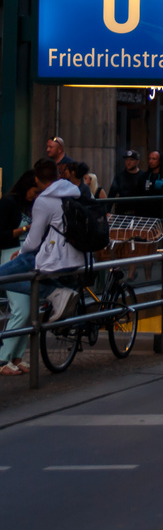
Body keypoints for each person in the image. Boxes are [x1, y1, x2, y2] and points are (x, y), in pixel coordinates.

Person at [0, 159, 85, 304]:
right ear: (58, 176)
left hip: (53, 258)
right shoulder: (73, 194)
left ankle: (54, 292)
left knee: (2, 277)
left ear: (37, 179)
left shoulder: (43, 201)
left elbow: (33, 243)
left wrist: (20, 253)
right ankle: (59, 294)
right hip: (77, 257)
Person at [0, 175, 32, 374]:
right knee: (21, 308)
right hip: (10, 255)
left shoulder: (28, 204)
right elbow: (1, 234)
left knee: (26, 308)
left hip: (22, 256)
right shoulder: (8, 203)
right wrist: (25, 229)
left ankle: (16, 356)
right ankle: (3, 358)